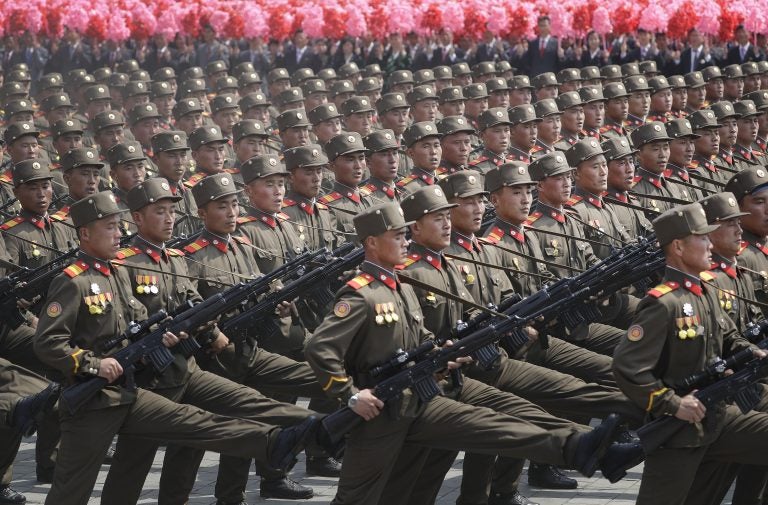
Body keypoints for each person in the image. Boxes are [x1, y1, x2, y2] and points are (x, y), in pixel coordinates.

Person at [304, 200, 639, 505]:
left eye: (406, 235)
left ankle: (583, 446)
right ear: (372, 243)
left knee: (497, 424)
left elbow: (418, 337)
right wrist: (349, 396)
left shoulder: (398, 285)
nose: (405, 242)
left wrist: (441, 352)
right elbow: (320, 349)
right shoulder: (362, 295)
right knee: (359, 497)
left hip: (421, 398)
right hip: (380, 416)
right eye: (397, 236)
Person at [32, 190, 320, 505]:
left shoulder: (119, 271)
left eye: (118, 226)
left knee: (210, 421)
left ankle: (315, 429)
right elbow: (48, 342)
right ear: (85, 233)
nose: (119, 234)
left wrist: (162, 333)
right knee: (75, 489)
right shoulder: (75, 281)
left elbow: (138, 322)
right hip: (98, 399)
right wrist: (93, 364)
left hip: (142, 384)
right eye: (110, 228)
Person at [612, 201, 768, 505]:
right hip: (679, 431)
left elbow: (728, 336)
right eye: (703, 238)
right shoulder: (662, 304)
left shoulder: (706, 291)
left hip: (718, 417)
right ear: (679, 248)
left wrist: (751, 353)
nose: (711, 244)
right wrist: (672, 403)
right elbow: (627, 366)